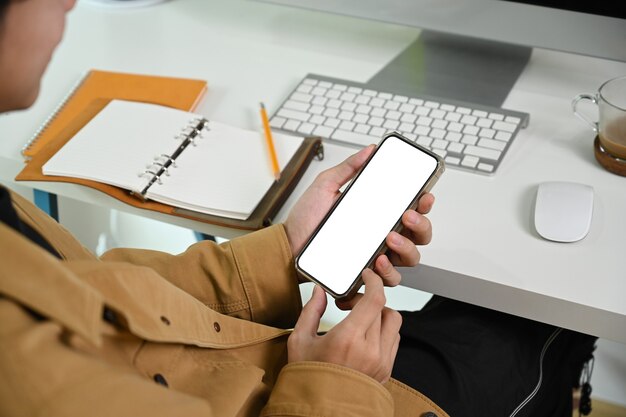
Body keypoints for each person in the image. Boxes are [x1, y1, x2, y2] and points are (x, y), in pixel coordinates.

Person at [0, 1, 596, 417]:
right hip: (322, 396)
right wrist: (334, 384)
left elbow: (105, 295)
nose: (72, 3)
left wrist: (286, 252)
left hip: (255, 362)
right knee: (543, 312)